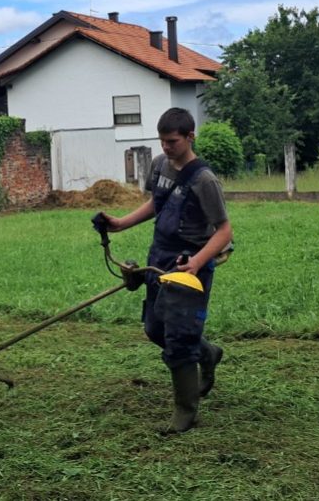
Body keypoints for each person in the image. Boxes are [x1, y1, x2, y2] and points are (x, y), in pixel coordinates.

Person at [97, 108, 233, 433]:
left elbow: (224, 231)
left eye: (172, 141)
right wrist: (120, 223)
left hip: (189, 264)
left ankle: (185, 411)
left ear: (190, 137)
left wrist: (198, 262)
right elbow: (157, 203)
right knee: (154, 329)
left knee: (178, 337)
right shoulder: (159, 165)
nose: (166, 147)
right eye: (162, 140)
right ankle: (207, 352)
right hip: (159, 255)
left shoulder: (204, 180)